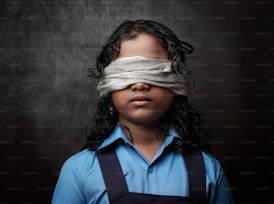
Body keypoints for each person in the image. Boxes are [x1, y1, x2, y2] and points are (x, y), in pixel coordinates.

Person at [52, 19, 234, 204]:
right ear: (108, 83)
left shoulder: (208, 169)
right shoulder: (78, 170)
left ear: (177, 82)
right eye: (126, 72)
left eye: (153, 70)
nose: (140, 84)